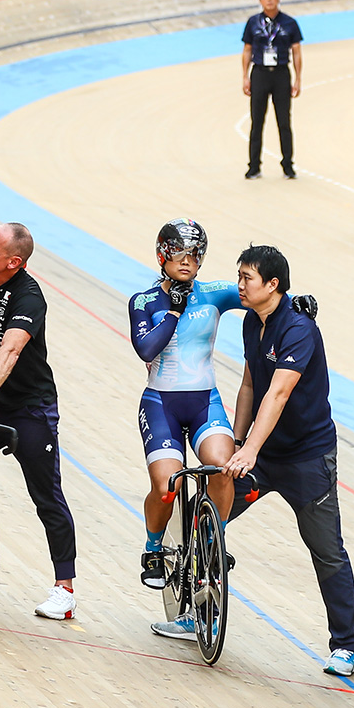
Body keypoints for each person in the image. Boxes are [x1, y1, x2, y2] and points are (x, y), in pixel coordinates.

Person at [196, 246, 354, 674]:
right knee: (210, 519)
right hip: (262, 455)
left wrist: (249, 451)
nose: (239, 285)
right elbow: (251, 383)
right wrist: (238, 439)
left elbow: (279, 392)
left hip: (307, 459)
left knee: (327, 552)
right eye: (239, 275)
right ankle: (194, 608)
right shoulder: (253, 321)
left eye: (247, 277)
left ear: (273, 285)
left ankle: (345, 645)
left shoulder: (299, 329)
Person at [0, 223, 77, 619]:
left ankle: (64, 589)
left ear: (13, 261)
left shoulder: (29, 296)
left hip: (28, 406)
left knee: (47, 495)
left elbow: (10, 350)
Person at [129, 219, 240, 591]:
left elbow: (259, 294)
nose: (187, 260)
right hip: (161, 404)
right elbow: (146, 349)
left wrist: (293, 302)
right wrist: (174, 312)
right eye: (179, 253)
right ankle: (153, 548)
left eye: (194, 254)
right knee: (166, 487)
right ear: (162, 255)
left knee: (223, 469)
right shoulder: (144, 301)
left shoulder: (214, 293)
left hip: (204, 401)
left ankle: (213, 541)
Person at [241, 0, 303, 179]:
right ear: (259, 0)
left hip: (281, 74)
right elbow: (247, 50)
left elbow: (297, 51)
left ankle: (287, 164)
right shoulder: (253, 23)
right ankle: (254, 166)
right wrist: (245, 75)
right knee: (257, 121)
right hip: (260, 73)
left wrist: (298, 78)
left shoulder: (289, 23)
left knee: (284, 121)